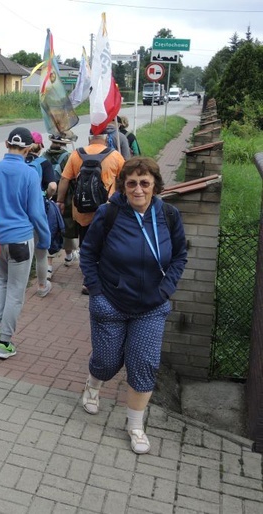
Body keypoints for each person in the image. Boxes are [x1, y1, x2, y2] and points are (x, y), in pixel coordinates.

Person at [79, 157, 187, 454]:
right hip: (111, 303)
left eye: (144, 183)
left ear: (155, 185)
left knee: (144, 364)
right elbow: (88, 253)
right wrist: (97, 290)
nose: (138, 189)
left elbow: (180, 256)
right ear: (123, 186)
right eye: (131, 183)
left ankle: (135, 425)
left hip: (152, 306)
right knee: (107, 361)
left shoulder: (168, 215)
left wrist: (166, 289)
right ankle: (93, 384)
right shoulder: (109, 213)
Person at [0, 127, 51, 359]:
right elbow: (36, 213)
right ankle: (5, 342)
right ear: (29, 148)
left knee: (2, 281)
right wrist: (45, 239)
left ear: (8, 144)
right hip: (20, 239)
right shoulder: (30, 173)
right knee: (16, 291)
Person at [55, 130, 125, 247]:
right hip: (107, 208)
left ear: (89, 138)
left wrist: (60, 201)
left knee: (86, 245)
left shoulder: (76, 154)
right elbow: (125, 180)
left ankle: (86, 261)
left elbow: (64, 179)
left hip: (82, 209)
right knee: (106, 245)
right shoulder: (115, 155)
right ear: (106, 138)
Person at [26, 131, 58, 291]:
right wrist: (49, 196)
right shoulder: (43, 163)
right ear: (39, 147)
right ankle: (41, 285)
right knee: (41, 252)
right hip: (38, 208)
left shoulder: (19, 162)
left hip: (19, 211)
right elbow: (52, 186)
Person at [44, 132, 79, 267]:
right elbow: (72, 177)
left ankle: (49, 263)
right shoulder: (69, 157)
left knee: (50, 225)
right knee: (67, 225)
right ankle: (69, 255)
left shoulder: (44, 156)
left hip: (48, 195)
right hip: (65, 196)